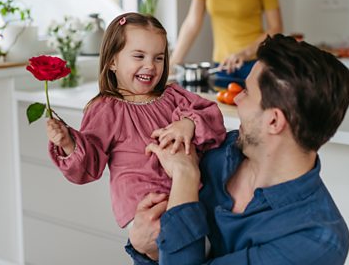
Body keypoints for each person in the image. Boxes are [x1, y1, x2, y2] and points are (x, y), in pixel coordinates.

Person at [126, 34, 349, 264]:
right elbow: (153, 239)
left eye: (246, 91)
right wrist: (145, 249)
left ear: (274, 121)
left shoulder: (316, 242)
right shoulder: (215, 150)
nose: (237, 100)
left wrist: (185, 178)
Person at [46, 12, 226, 229]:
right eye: (139, 56)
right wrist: (67, 143)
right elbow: (89, 166)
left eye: (158, 57)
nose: (150, 65)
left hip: (189, 195)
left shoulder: (174, 96)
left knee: (198, 246)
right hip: (142, 207)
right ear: (113, 61)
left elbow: (213, 119)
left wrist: (188, 123)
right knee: (173, 245)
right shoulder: (106, 109)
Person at [170, 0, 283, 85]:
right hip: (222, 66)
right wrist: (172, 64)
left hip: (254, 64)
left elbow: (276, 27)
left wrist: (244, 53)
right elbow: (192, 22)